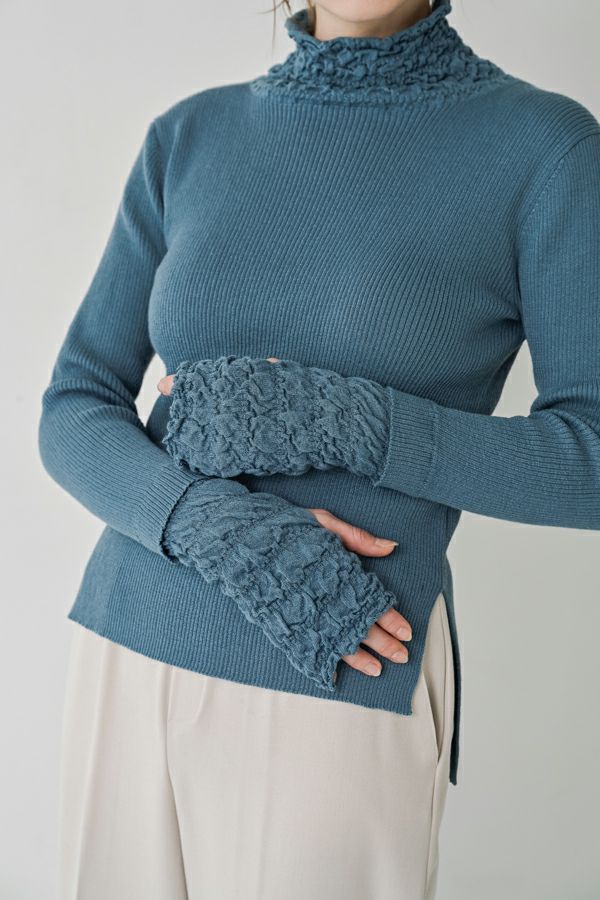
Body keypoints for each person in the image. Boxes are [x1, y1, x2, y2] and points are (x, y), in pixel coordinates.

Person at [38, 0, 600, 897]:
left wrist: (349, 420)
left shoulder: (545, 150)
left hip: (342, 665)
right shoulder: (189, 135)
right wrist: (205, 521)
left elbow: (590, 460)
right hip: (130, 645)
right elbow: (75, 402)